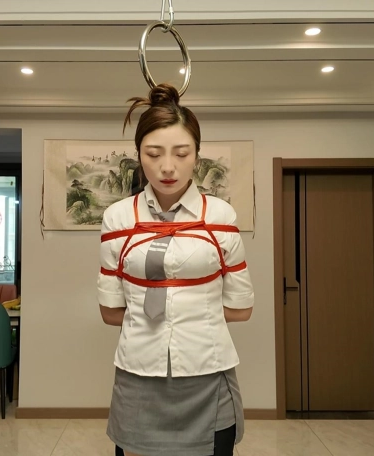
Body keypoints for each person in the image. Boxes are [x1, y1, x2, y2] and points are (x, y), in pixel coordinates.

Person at [96, 83, 254, 456]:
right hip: (138, 373)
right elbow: (109, 312)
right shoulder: (117, 218)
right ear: (139, 154)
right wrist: (187, 308)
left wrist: (182, 313)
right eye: (153, 154)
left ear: (196, 155)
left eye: (181, 154)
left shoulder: (221, 216)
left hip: (208, 370)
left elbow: (242, 308)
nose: (168, 167)